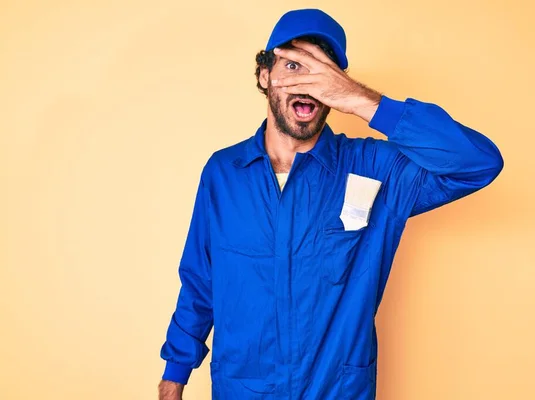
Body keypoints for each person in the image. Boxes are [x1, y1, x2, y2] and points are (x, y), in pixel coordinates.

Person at [158, 8, 503, 400]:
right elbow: (201, 283)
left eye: (322, 73)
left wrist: (360, 100)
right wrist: (174, 377)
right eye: (294, 66)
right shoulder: (224, 173)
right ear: (264, 75)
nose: (308, 84)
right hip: (242, 390)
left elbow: (478, 163)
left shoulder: (374, 170)